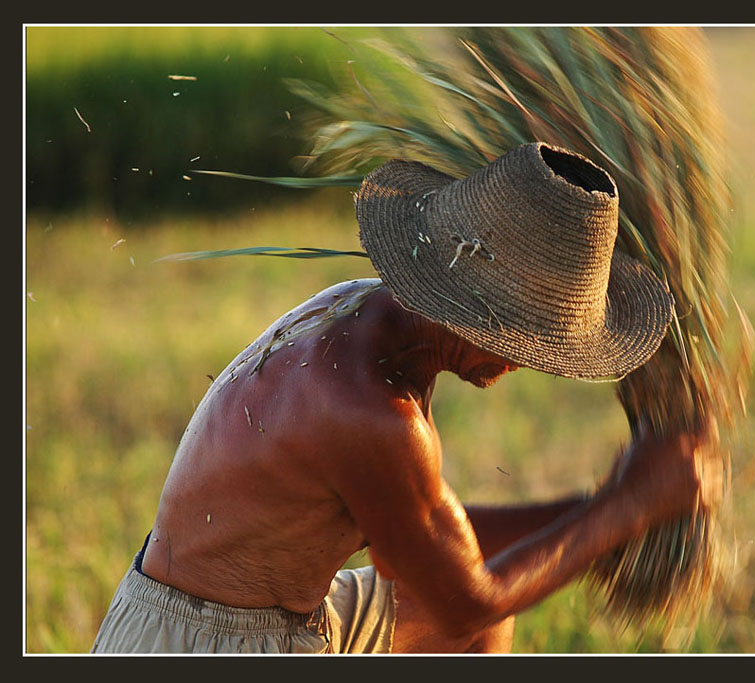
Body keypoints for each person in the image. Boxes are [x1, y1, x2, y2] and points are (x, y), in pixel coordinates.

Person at [91, 142, 715, 654]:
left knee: (471, 627)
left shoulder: (370, 317)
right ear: (473, 313)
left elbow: (420, 541)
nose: (519, 365)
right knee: (470, 616)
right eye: (525, 340)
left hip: (267, 614)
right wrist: (625, 508)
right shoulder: (369, 413)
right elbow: (466, 598)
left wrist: (590, 521)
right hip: (203, 644)